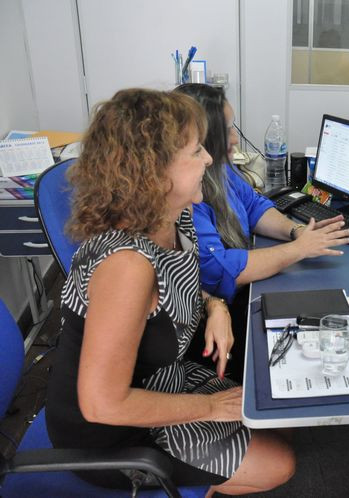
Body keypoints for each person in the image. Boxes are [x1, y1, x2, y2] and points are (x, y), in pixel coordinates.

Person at [45, 88, 294, 495]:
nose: (210, 158)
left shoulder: (175, 219)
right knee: (278, 462)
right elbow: (101, 404)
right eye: (196, 151)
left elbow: (179, 288)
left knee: (272, 413)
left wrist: (215, 306)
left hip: (161, 380)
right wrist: (211, 408)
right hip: (111, 434)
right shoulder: (125, 265)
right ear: (154, 172)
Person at [174, 83, 349, 379]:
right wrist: (298, 250)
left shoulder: (219, 168)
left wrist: (296, 231)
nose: (234, 138)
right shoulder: (187, 194)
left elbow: (253, 204)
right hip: (210, 325)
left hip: (221, 303)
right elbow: (220, 269)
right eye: (227, 130)